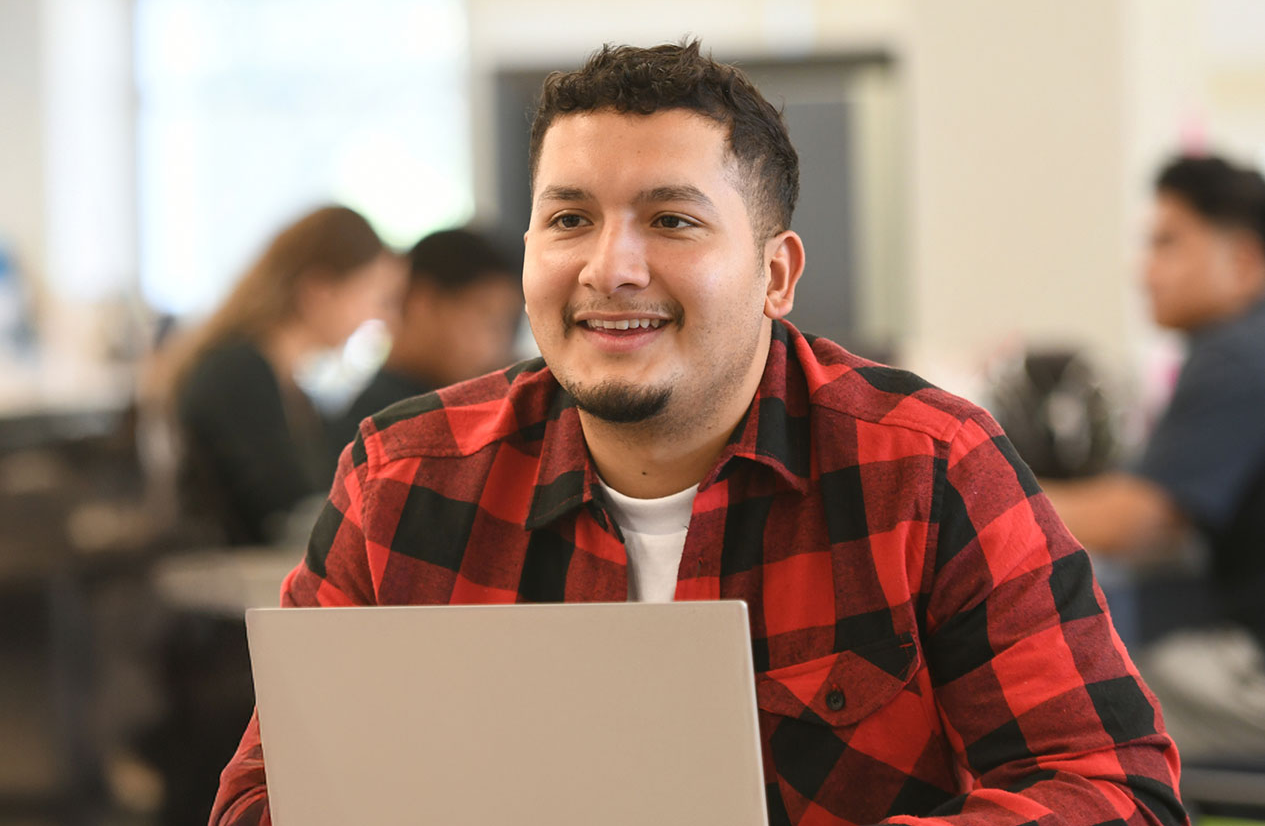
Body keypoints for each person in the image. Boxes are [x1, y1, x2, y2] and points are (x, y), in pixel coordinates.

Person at [211, 42, 1183, 826]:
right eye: (568, 219)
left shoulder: (928, 472)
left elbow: (1112, 790)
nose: (608, 267)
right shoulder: (402, 481)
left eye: (670, 220)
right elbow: (264, 795)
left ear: (774, 275)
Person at [1044, 155, 1265, 759]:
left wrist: (981, 489)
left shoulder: (1240, 355)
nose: (1146, 271)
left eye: (1168, 244)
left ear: (1243, 261)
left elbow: (1133, 521)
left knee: (1095, 699)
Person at [167, 204, 405, 547]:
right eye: (374, 296)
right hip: (232, 585)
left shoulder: (286, 385)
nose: (379, 318)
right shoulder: (238, 373)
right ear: (320, 291)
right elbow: (284, 516)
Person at [328, 226, 522, 461]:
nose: (498, 345)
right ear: (423, 302)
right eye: (489, 319)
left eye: (507, 327)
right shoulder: (384, 433)